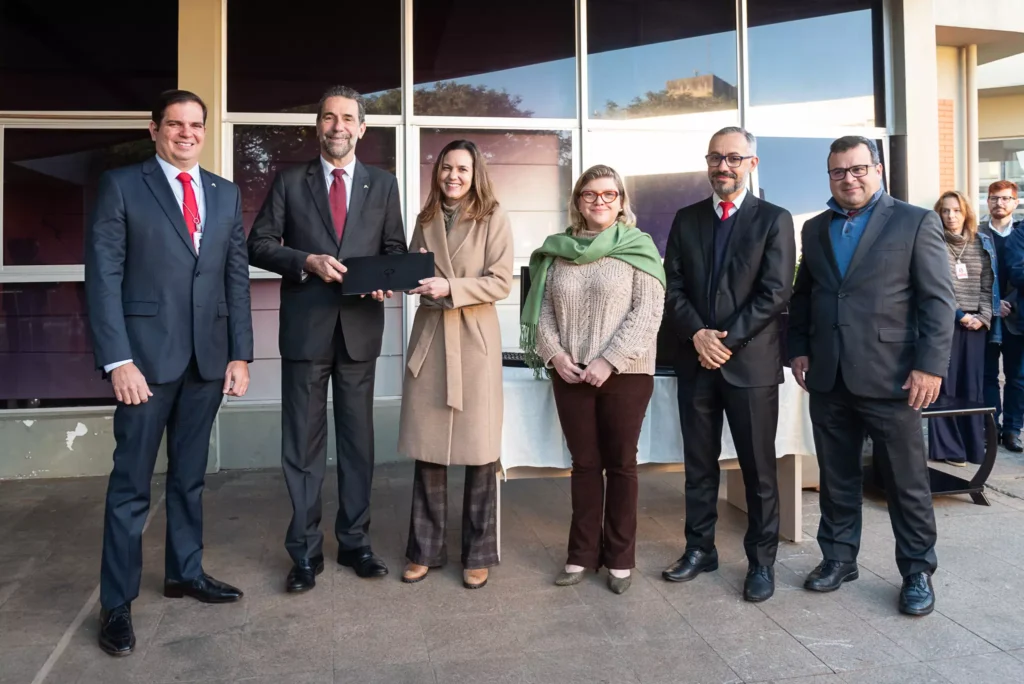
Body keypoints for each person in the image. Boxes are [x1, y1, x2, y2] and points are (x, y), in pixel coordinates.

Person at [84, 90, 254, 656]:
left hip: (207, 363)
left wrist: (240, 353)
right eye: (175, 125)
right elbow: (103, 278)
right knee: (131, 486)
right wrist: (118, 360)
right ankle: (117, 604)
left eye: (196, 126)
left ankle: (184, 571)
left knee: (189, 479)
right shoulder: (123, 185)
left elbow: (235, 278)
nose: (186, 134)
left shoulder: (224, 194)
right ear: (154, 129)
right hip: (144, 366)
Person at [247, 85, 407, 593]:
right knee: (303, 446)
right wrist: (305, 262)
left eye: (347, 118)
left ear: (362, 128)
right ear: (318, 127)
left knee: (358, 444)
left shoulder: (383, 185)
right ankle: (305, 553)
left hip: (360, 330)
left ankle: (356, 542)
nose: (338, 126)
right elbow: (259, 244)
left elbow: (395, 249)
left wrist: (389, 276)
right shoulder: (291, 181)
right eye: (329, 118)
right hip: (306, 331)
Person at [788, 135, 955, 616]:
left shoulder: (914, 221)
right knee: (837, 477)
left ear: (878, 170)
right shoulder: (815, 229)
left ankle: (918, 570)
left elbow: (937, 301)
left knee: (905, 481)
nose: (849, 179)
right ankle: (839, 559)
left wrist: (929, 366)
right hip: (828, 376)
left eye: (858, 168)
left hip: (895, 377)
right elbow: (806, 295)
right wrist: (798, 348)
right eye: (838, 171)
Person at [660, 127, 796, 603]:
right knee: (698, 465)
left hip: (750, 366)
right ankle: (700, 549)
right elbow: (671, 286)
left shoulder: (774, 220)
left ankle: (761, 562)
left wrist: (725, 342)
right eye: (716, 157)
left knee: (758, 470)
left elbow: (776, 291)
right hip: (695, 361)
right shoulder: (686, 218)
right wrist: (697, 334)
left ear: (751, 164)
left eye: (734, 158)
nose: (724, 166)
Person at [524, 164, 665, 595]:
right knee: (584, 465)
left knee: (621, 464)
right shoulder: (557, 250)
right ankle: (581, 553)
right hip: (570, 373)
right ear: (577, 201)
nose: (599, 202)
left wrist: (610, 359)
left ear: (621, 201)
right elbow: (542, 308)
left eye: (608, 194)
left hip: (625, 374)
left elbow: (648, 312)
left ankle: (620, 557)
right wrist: (555, 354)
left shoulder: (639, 247)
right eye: (590, 194)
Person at [397, 140, 513, 590]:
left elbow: (501, 281)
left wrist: (450, 288)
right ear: (437, 172)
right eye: (447, 168)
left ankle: (478, 553)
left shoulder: (494, 216)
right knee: (430, 452)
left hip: (473, 340)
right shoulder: (425, 219)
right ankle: (424, 550)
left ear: (475, 173)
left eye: (462, 169)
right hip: (430, 340)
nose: (454, 176)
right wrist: (401, 281)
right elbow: (412, 268)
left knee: (480, 453)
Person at [929, 190, 996, 466]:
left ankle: (971, 447)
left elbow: (988, 285)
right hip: (947, 322)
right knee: (945, 386)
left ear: (965, 212)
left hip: (977, 325)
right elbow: (935, 285)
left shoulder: (981, 243)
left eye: (956, 210)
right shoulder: (933, 243)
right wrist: (959, 315)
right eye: (945, 210)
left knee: (972, 386)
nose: (950, 215)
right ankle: (948, 449)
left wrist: (983, 316)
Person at [981, 181, 1023, 452]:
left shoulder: (1022, 234)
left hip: (1017, 317)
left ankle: (1012, 430)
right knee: (987, 376)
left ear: (1015, 203)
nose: (1000, 203)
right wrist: (993, 303)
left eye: (1006, 199)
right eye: (995, 198)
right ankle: (990, 428)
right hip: (984, 316)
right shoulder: (976, 233)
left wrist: (1009, 302)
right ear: (988, 201)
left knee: (1018, 377)